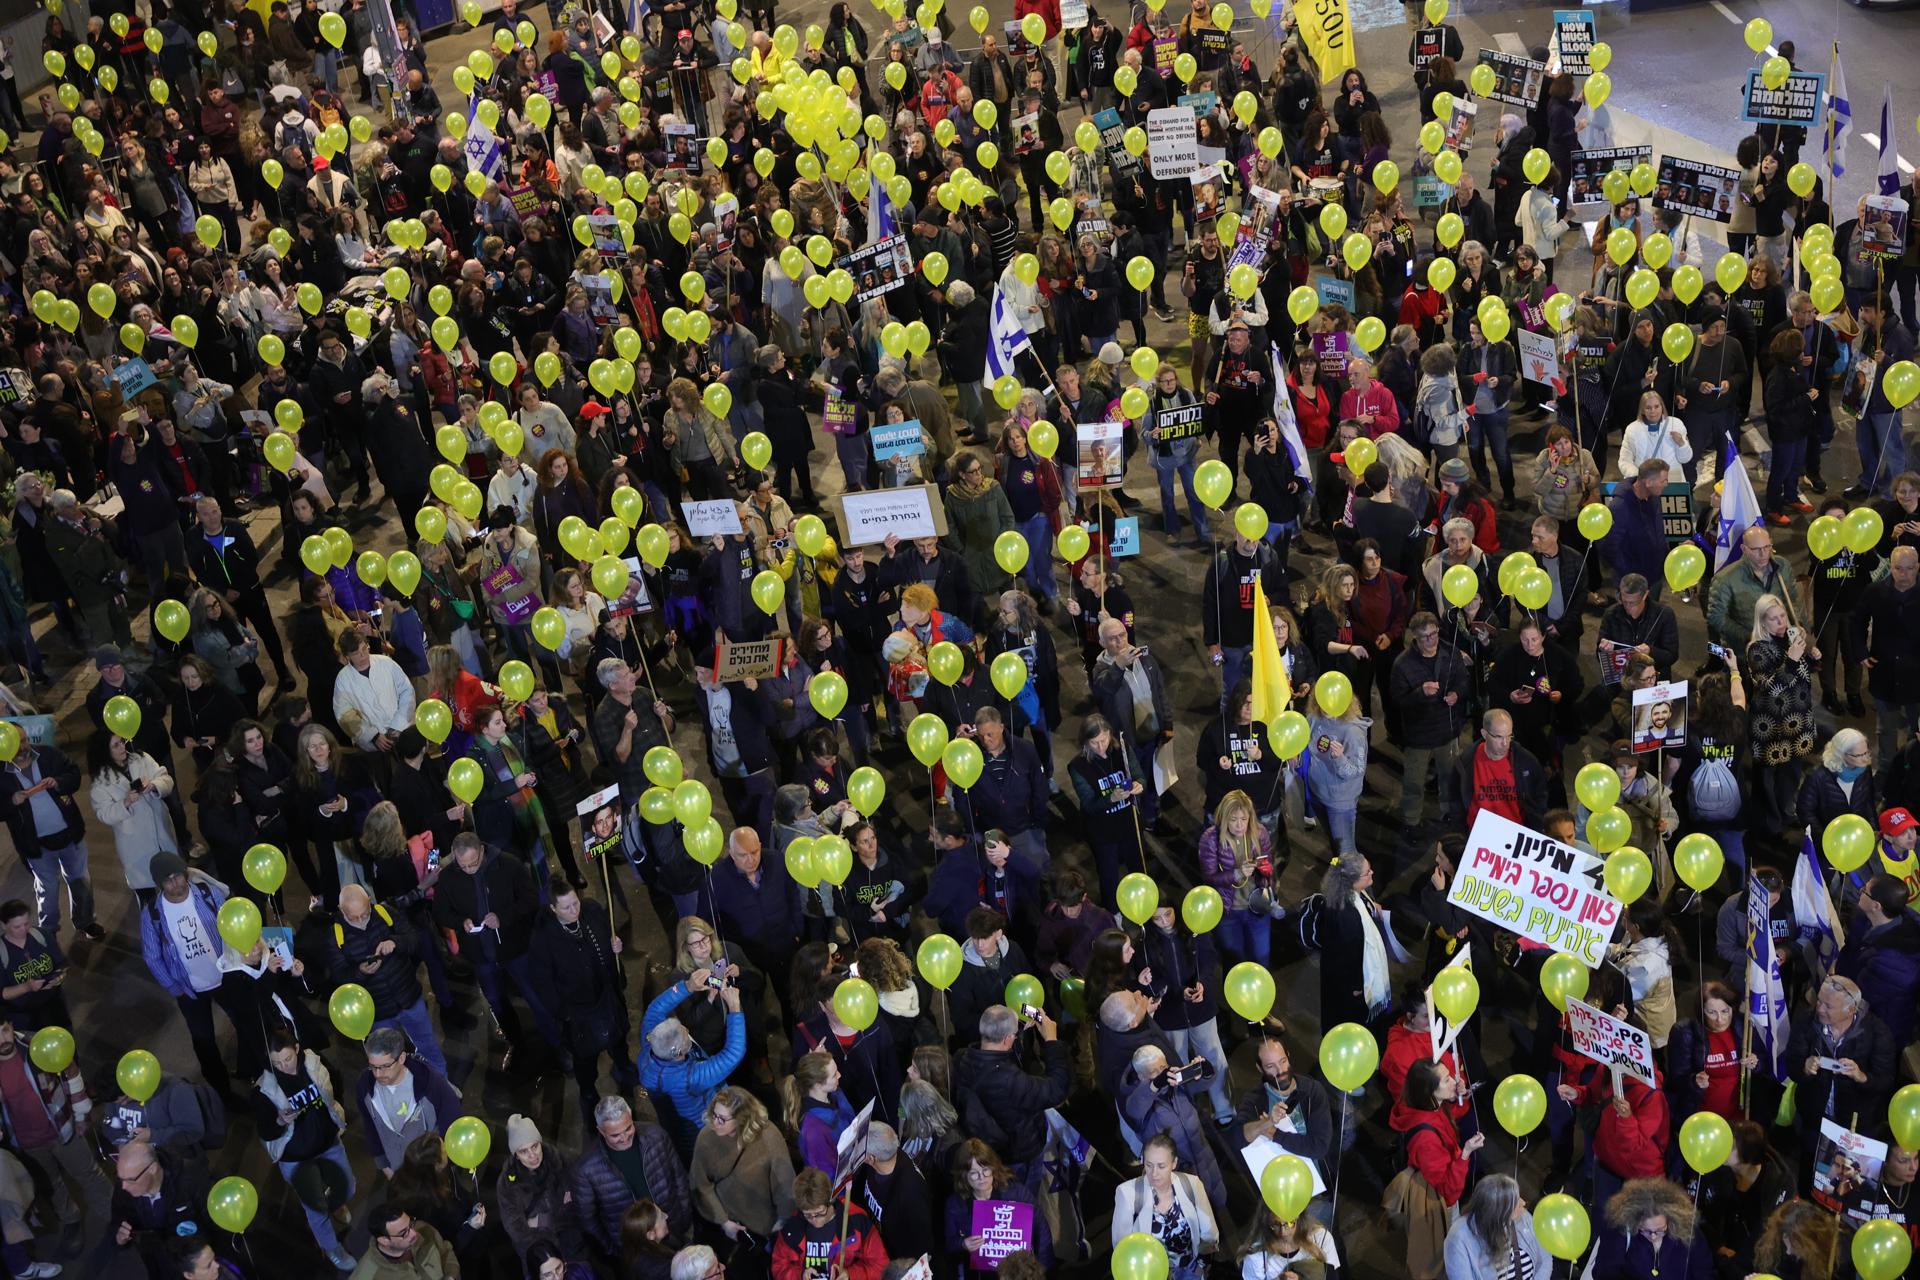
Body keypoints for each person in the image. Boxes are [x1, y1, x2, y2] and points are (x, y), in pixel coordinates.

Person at [528, 881, 639, 1111]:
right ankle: (588, 1093)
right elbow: (542, 982)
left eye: (575, 903)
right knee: (585, 1060)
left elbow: (607, 940)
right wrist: (563, 1013)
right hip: (577, 1012)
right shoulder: (543, 939)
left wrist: (614, 947)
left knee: (618, 1039)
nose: (574, 910)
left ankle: (623, 1067)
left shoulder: (592, 911)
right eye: (566, 907)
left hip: (606, 996)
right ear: (553, 909)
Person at [252, 1027, 355, 1271]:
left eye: (287, 1058)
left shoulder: (315, 1063)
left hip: (328, 1143)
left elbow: (334, 1086)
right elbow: (265, 1131)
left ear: (297, 1049)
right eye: (276, 1062)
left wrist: (335, 1112)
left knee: (348, 1186)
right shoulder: (265, 1089)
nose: (283, 1066)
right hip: (296, 1157)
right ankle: (331, 1247)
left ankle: (337, 1204)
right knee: (316, 1207)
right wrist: (279, 1121)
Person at [637, 967, 746, 1160]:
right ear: (680, 1052)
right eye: (685, 1034)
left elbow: (655, 1008)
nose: (686, 1029)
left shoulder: (650, 1043)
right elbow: (733, 1054)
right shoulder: (689, 1079)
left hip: (673, 1124)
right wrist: (735, 1009)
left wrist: (687, 986)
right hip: (700, 1132)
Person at [0, 741, 103, 940]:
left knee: (81, 880)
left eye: (23, 740)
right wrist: (11, 801)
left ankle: (86, 922)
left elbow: (74, 775)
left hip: (70, 834)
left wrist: (59, 782)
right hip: (35, 844)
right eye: (15, 743)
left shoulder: (48, 754)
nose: (22, 746)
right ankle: (48, 933)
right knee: (48, 890)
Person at [572, 1095, 691, 1259]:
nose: (624, 1137)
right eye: (615, 1135)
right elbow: (588, 1220)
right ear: (600, 1131)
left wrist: (683, 1218)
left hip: (672, 1229)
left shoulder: (657, 1136)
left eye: (628, 1128)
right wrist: (613, 1250)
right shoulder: (585, 1170)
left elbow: (679, 1176)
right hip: (633, 1247)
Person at [691, 1087, 796, 1272]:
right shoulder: (706, 1137)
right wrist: (723, 1221)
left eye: (722, 1119)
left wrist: (782, 1223)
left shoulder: (769, 1136)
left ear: (742, 1118)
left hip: (763, 1225)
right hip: (725, 1221)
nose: (715, 1122)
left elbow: (785, 1185)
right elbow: (700, 1184)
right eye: (714, 1115)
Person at [353, 1026, 463, 1179]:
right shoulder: (365, 1086)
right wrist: (384, 1166)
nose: (378, 1074)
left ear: (402, 1058)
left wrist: (444, 1162)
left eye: (385, 1066)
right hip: (397, 1169)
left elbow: (452, 1119)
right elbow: (370, 1126)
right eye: (373, 1066)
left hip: (432, 1168)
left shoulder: (429, 1083)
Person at [1112, 1131, 1219, 1280]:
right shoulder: (1127, 1193)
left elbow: (1209, 1234)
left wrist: (1200, 1268)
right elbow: (1122, 1248)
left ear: (1174, 1163)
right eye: (1149, 1165)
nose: (1154, 1173)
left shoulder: (1192, 1184)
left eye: (1161, 1166)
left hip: (1190, 1270)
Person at [1854, 545, 1920, 764]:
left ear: (1918, 567)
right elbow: (1857, 622)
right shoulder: (1874, 591)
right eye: (1899, 568)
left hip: (1916, 676)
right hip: (1884, 673)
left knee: (1917, 733)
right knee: (1886, 732)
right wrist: (1861, 651)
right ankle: (1887, 776)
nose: (1904, 574)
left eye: (1910, 569)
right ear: (1890, 567)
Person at [1390, 1058, 1482, 1211]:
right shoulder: (1426, 1140)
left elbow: (1448, 1115)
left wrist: (1458, 1096)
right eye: (1447, 1080)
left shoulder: (1424, 1104)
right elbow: (1446, 1191)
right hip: (1438, 1204)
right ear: (1429, 1090)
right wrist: (1466, 1153)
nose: (1455, 1081)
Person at [497, 1113, 584, 1261]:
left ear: (540, 1142)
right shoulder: (508, 1183)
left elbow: (579, 1196)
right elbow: (517, 1229)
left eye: (535, 1146)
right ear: (516, 1155)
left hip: (572, 1241)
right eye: (523, 1151)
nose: (532, 1155)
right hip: (538, 1250)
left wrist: (541, 1221)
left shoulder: (558, 1160)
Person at [774, 1167, 889, 1280]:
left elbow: (881, 1266)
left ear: (831, 1200)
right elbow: (778, 1266)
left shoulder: (856, 1221)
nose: (814, 1220)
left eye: (819, 1213)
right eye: (808, 1215)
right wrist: (800, 1275)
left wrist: (850, 1275)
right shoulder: (792, 1225)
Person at [1593, 1177, 1711, 1280]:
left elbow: (1704, 1272)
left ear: (1671, 1220)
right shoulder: (1620, 1231)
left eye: (1660, 1230)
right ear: (1636, 1221)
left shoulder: (1688, 1233)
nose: (1653, 1236)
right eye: (1646, 1231)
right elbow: (1604, 1273)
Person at [1442, 1175, 1549, 1280]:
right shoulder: (1459, 1238)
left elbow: (1545, 1258)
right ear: (1499, 1211)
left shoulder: (1523, 1216)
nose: (1523, 1203)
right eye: (1515, 1200)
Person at [355, 1204, 460, 1280]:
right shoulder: (368, 1275)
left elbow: (445, 1251)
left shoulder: (424, 1229)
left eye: (410, 1224)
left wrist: (451, 1276)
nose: (414, 1233)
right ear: (384, 1240)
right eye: (403, 1233)